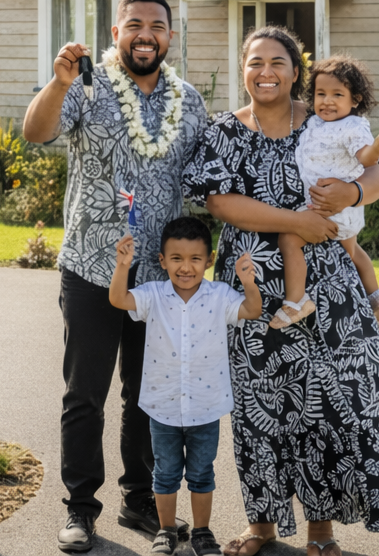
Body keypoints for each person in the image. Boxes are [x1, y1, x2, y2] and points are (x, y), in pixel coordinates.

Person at [183, 25, 379, 556]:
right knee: (259, 405)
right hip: (253, 289)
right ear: (243, 69)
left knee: (327, 406)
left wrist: (354, 192)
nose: (265, 72)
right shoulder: (223, 131)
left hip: (330, 289)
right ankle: (262, 526)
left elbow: (377, 173)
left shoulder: (325, 118)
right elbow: (218, 202)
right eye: (255, 62)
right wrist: (296, 221)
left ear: (296, 71)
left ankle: (321, 531)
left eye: (277, 62)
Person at [24, 0, 210, 554]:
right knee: (85, 395)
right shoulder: (86, 86)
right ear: (116, 33)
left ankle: (140, 502)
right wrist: (58, 82)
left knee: (145, 395)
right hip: (91, 266)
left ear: (169, 37)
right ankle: (80, 509)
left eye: (156, 26)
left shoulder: (189, 101)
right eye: (134, 25)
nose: (145, 35)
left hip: (158, 280)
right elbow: (36, 132)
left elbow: (207, 180)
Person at [109, 216, 263, 556]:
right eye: (176, 258)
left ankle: (202, 533)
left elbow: (252, 309)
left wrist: (248, 282)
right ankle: (166, 531)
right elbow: (119, 299)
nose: (185, 267)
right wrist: (122, 266)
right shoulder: (153, 294)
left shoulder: (220, 296)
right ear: (162, 260)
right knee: (164, 474)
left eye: (195, 259)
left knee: (201, 473)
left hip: (205, 406)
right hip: (163, 406)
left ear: (209, 260)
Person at [274, 55, 379, 329]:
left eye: (337, 94)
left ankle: (296, 300)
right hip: (338, 205)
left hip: (333, 206)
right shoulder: (317, 122)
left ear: (355, 100)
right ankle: (376, 296)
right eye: (321, 93)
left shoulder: (352, 127)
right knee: (351, 251)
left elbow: (367, 159)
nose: (327, 101)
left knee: (289, 240)